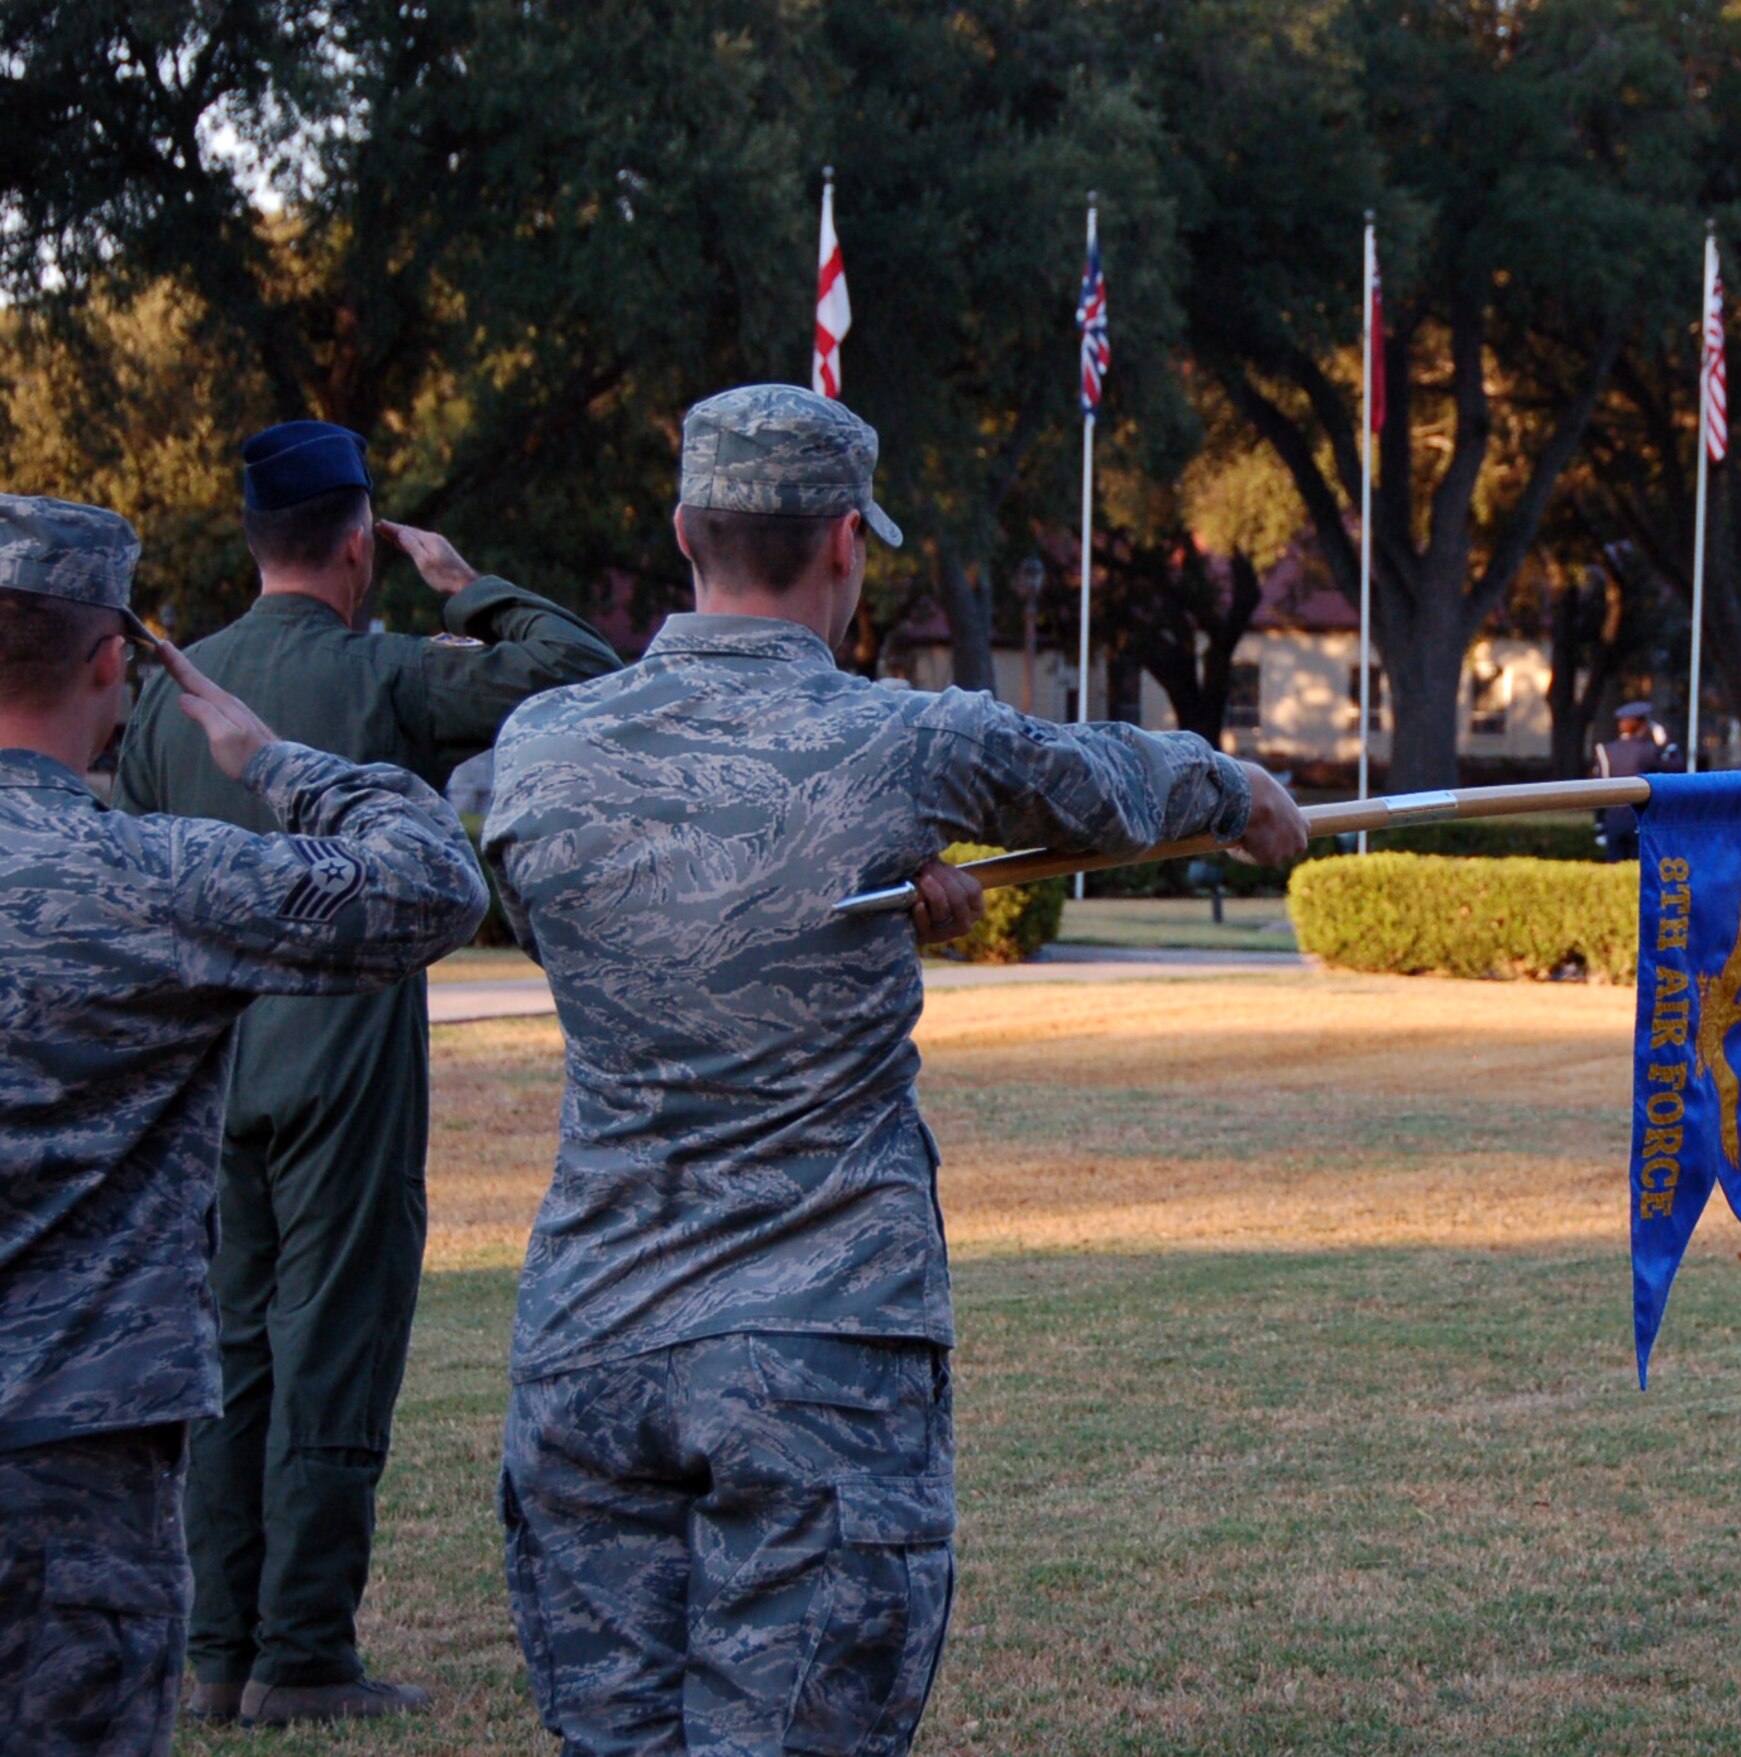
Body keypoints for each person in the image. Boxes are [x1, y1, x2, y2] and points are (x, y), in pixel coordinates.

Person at [481, 384, 1311, 1757]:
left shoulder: (539, 752)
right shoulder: (898, 744)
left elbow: (641, 904)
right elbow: (1093, 780)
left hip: (591, 1344)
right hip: (820, 1358)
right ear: (849, 546)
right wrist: (1234, 791)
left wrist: (867, 884)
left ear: (685, 531)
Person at [113, 421, 620, 1727]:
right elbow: (581, 671)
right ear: (359, 543)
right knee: (332, 1351)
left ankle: (215, 1651)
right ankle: (304, 1654)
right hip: (346, 1055)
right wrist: (467, 585)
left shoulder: (175, 686)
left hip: (206, 1059)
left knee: (225, 1362)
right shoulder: (390, 671)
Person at [0, 495, 488, 1756]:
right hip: (75, 1467)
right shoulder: (142, 878)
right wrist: (269, 757)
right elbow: (431, 881)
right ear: (116, 659)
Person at [1592, 700, 1668, 861]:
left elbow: (1599, 787)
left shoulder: (1606, 751)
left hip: (1614, 821)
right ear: (1643, 725)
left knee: (1614, 873)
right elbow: (1675, 767)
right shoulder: (1650, 750)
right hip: (1641, 821)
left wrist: (1599, 823)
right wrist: (1664, 744)